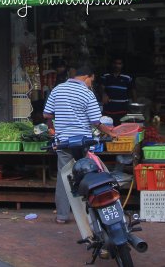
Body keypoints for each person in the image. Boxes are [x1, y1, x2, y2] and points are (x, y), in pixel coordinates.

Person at [43, 64, 112, 224]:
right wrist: (110, 132)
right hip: (82, 142)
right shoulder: (86, 93)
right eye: (91, 81)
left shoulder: (57, 89)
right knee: (87, 174)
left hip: (63, 142)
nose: (91, 84)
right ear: (86, 77)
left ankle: (62, 215)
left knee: (64, 176)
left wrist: (54, 126)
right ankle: (90, 214)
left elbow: (47, 113)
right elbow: (96, 121)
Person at [98, 57, 135, 124]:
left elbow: (132, 90)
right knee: (108, 128)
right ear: (112, 64)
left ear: (122, 65)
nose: (117, 65)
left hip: (123, 109)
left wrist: (134, 104)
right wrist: (103, 94)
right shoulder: (106, 76)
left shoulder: (127, 77)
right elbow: (101, 87)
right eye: (115, 63)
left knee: (121, 129)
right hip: (109, 108)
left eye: (119, 64)